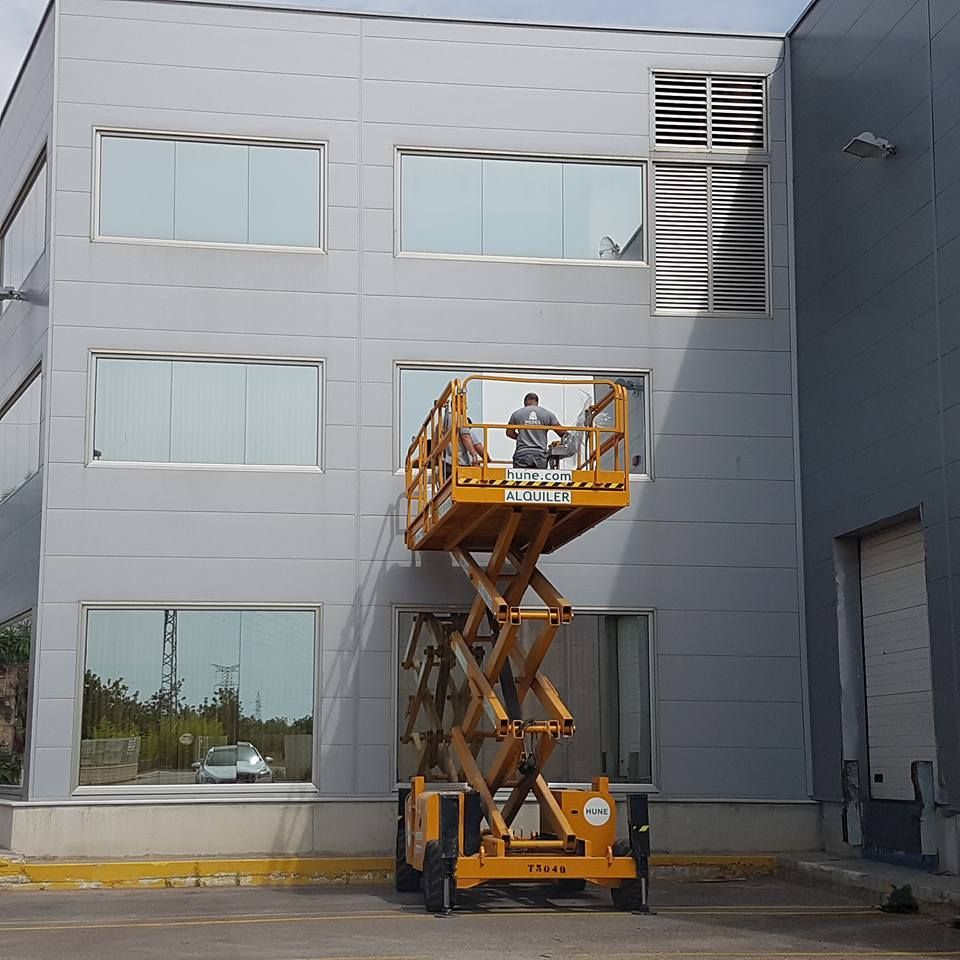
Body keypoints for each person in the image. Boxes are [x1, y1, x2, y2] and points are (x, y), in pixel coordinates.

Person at [506, 393, 564, 469]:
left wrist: (522, 438)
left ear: (525, 402)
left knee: (521, 476)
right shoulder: (548, 414)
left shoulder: (516, 414)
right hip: (540, 455)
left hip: (522, 454)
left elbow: (509, 433)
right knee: (539, 476)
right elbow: (562, 433)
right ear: (537, 402)